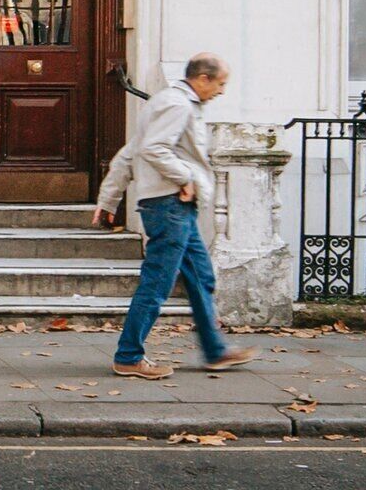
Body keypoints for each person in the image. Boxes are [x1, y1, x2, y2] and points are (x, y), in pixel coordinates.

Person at [91, 51, 259, 379]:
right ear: (203, 78)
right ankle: (128, 356)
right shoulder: (177, 105)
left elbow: (130, 153)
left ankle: (215, 351)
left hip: (175, 207)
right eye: (220, 84)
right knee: (157, 283)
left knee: (201, 277)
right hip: (168, 206)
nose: (222, 91)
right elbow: (152, 149)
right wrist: (185, 178)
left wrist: (109, 198)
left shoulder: (166, 102)